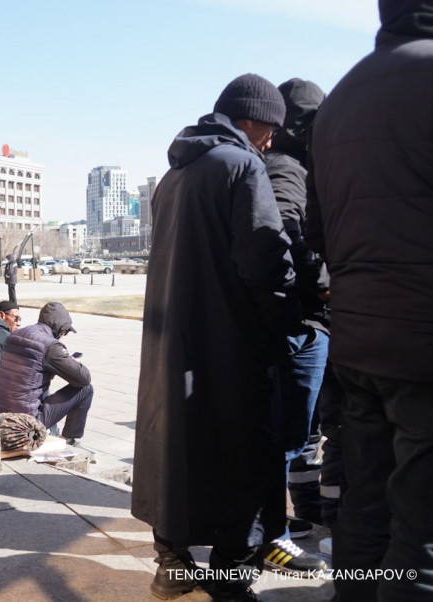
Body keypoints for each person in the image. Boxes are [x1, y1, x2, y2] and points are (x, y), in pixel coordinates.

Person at [131, 74, 299, 602]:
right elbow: (266, 262)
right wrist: (287, 319)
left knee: (179, 451)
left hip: (174, 340)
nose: (271, 140)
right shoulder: (242, 165)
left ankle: (171, 564)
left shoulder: (173, 175)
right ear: (249, 119)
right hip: (229, 342)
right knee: (242, 457)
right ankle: (232, 578)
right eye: (270, 129)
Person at [305, 2, 433, 599]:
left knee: (365, 501)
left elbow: (318, 233)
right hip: (421, 343)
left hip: (358, 341)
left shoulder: (342, 98)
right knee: (422, 528)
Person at [262, 78, 329, 575]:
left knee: (289, 435)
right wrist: (321, 283)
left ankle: (283, 526)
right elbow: (286, 230)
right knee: (290, 436)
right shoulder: (288, 167)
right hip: (300, 324)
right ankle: (276, 535)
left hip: (285, 322)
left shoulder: (271, 164)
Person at [0, 302, 92, 444]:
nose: (64, 335)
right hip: (27, 422)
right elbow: (84, 378)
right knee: (86, 390)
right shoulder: (51, 346)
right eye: (65, 332)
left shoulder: (16, 334)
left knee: (39, 384)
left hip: (1, 411)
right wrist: (70, 361)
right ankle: (69, 439)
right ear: (59, 329)